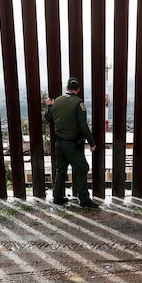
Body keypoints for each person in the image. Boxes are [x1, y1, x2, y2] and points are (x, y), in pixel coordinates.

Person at [44, 77, 99, 208]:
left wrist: (49, 106)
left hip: (59, 143)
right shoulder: (79, 103)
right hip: (71, 143)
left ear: (66, 88)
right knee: (82, 167)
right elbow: (83, 126)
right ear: (78, 89)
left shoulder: (57, 101)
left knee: (61, 170)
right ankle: (84, 199)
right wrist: (92, 143)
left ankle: (57, 197)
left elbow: (48, 118)